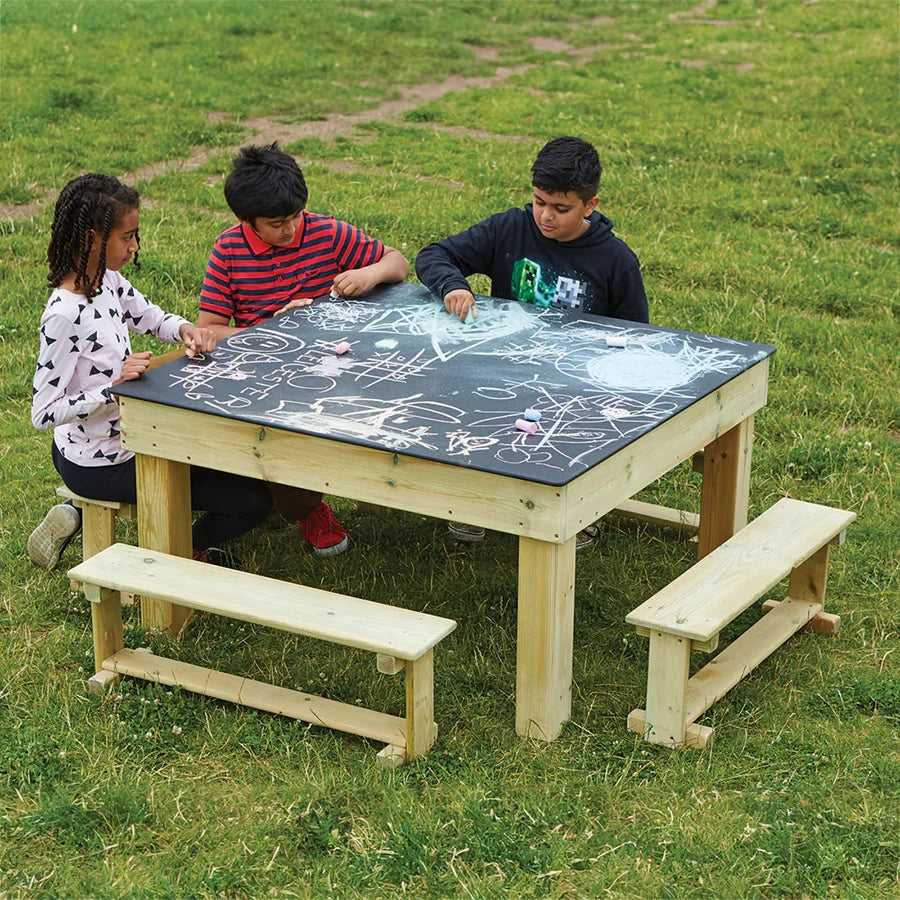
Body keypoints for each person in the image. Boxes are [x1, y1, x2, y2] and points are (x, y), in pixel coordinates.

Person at [415, 135, 649, 549]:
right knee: (466, 395)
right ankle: (477, 500)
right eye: (539, 201)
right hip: (505, 367)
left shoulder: (615, 260)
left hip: (577, 380)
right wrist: (453, 285)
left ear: (590, 205)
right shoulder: (509, 228)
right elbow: (434, 254)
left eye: (561, 208)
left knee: (581, 429)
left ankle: (581, 511)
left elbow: (637, 336)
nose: (545, 216)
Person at [28, 174, 272, 569]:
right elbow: (43, 412)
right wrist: (113, 387)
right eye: (127, 237)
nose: (135, 246)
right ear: (91, 238)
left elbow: (150, 316)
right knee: (251, 501)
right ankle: (171, 557)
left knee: (235, 463)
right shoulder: (62, 315)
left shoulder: (105, 280)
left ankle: (75, 511)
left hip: (134, 434)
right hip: (101, 460)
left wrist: (187, 330)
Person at [196, 142, 410, 557]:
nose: (291, 230)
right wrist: (275, 326)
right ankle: (304, 507)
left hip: (338, 366)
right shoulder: (228, 250)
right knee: (284, 444)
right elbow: (210, 331)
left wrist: (370, 273)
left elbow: (397, 263)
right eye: (276, 223)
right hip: (262, 376)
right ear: (245, 220)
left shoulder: (327, 232)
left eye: (295, 217)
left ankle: (315, 497)